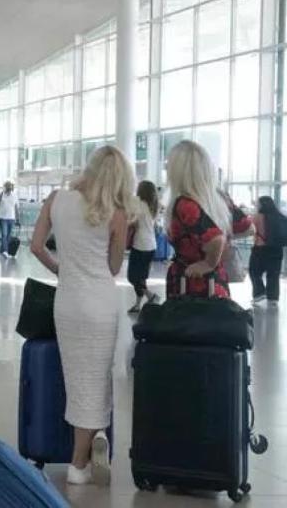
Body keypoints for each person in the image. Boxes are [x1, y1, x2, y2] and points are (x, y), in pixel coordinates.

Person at [30, 145, 134, 486]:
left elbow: (35, 246)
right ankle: (79, 463)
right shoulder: (116, 213)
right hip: (100, 303)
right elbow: (114, 268)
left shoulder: (57, 199)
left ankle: (92, 442)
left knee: (77, 379)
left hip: (68, 302)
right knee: (98, 379)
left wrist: (62, 269)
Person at [164, 140, 232, 299]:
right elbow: (246, 227)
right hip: (216, 283)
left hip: (193, 286)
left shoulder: (185, 204)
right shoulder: (217, 200)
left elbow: (216, 239)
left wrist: (208, 263)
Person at [127, 180, 160, 313]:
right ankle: (137, 305)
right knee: (141, 278)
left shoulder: (138, 203)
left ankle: (150, 295)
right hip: (151, 246)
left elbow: (132, 221)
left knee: (132, 277)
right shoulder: (153, 206)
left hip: (140, 245)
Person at [249, 196, 285, 306]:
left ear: (261, 205)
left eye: (257, 204)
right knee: (273, 274)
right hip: (277, 249)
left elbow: (249, 230)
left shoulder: (257, 217)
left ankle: (259, 293)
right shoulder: (280, 216)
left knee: (254, 272)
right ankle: (273, 298)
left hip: (260, 249)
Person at [0, 181, 19, 257]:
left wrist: (17, 218)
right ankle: (6, 251)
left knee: (8, 236)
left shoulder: (14, 195)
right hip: (2, 218)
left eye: (10, 186)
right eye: (7, 186)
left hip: (11, 218)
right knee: (4, 235)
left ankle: (2, 250)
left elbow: (16, 207)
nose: (9, 188)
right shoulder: (1, 194)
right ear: (5, 187)